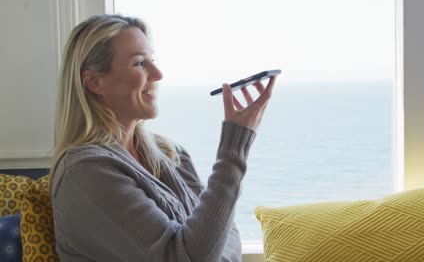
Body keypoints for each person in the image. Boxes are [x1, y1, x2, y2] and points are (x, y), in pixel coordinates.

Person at [49, 14, 276, 262]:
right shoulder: (86, 175)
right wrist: (234, 151)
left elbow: (224, 233)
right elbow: (189, 256)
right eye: (139, 63)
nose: (158, 73)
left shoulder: (170, 153)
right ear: (94, 82)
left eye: (153, 60)